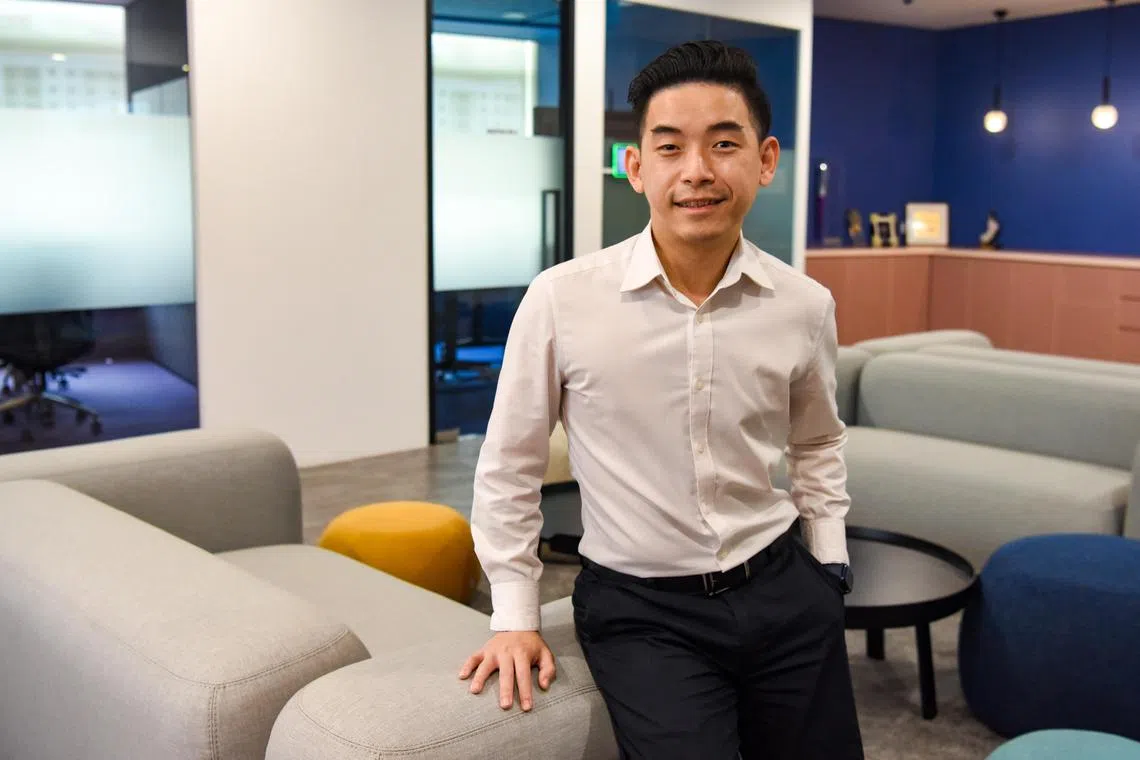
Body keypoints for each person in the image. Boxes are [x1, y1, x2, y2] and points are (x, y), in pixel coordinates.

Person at [458, 40, 864, 760]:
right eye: (670, 147)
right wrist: (514, 615)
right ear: (636, 166)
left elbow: (817, 440)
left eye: (724, 144)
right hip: (642, 609)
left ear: (765, 160)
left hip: (781, 585)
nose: (697, 170)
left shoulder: (804, 305)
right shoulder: (562, 299)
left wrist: (827, 562)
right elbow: (509, 464)